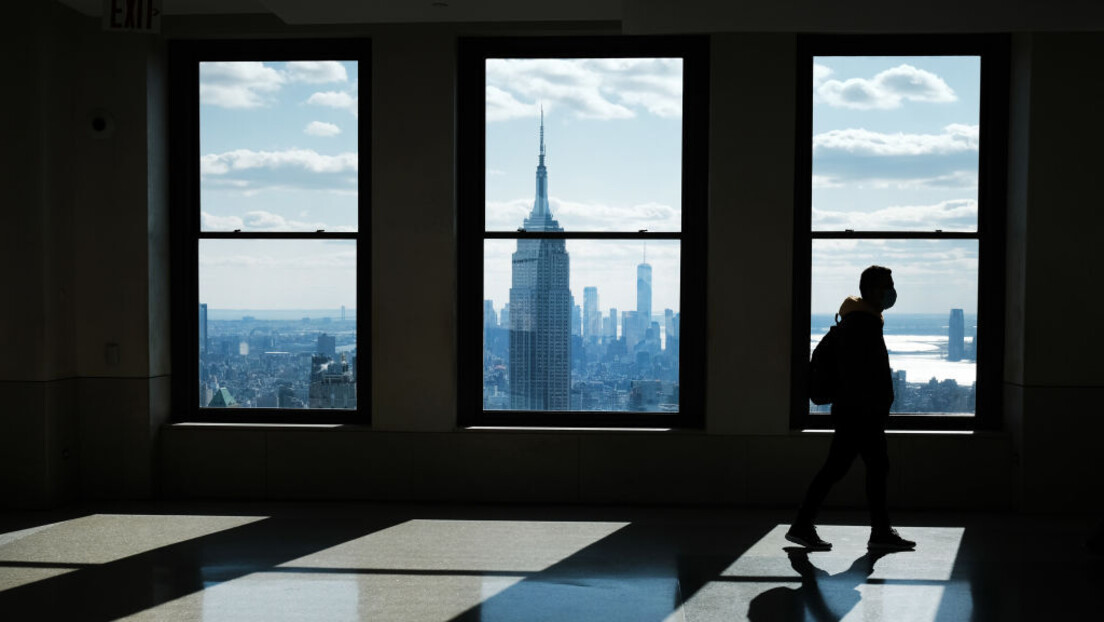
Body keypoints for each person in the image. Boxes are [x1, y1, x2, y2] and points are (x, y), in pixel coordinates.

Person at [787, 265, 915, 551]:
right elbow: (860, 374)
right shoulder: (862, 325)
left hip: (857, 412)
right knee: (851, 468)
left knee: (860, 467)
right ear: (871, 290)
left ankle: (873, 530)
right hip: (860, 413)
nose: (892, 291)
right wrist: (873, 407)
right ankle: (806, 525)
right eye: (887, 285)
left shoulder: (861, 321)